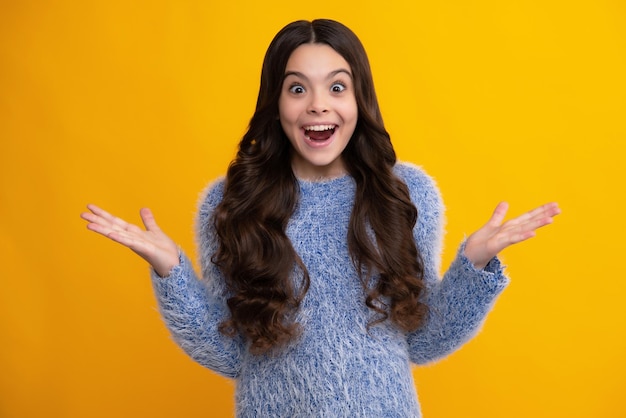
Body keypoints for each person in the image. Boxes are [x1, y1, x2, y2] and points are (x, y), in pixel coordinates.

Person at [81, 19, 560, 417]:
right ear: (276, 103)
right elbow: (230, 353)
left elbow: (423, 340)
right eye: (297, 88)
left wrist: (473, 267)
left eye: (337, 86)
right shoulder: (233, 203)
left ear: (359, 100)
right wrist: (172, 273)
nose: (318, 104)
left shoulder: (404, 194)